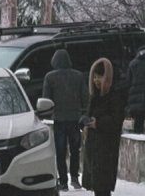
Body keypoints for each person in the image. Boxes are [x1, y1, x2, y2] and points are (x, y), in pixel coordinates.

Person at [42, 49, 87, 190]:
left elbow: (46, 100)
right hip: (75, 119)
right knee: (75, 150)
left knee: (60, 152)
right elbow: (85, 98)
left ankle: (63, 181)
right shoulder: (78, 76)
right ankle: (75, 178)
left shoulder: (50, 77)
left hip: (59, 119)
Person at [80, 58, 126, 196]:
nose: (96, 80)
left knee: (102, 187)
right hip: (94, 148)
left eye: (99, 77)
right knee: (97, 187)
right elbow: (89, 114)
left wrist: (97, 123)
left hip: (106, 149)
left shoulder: (115, 95)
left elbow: (116, 120)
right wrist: (84, 121)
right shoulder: (95, 97)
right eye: (94, 77)